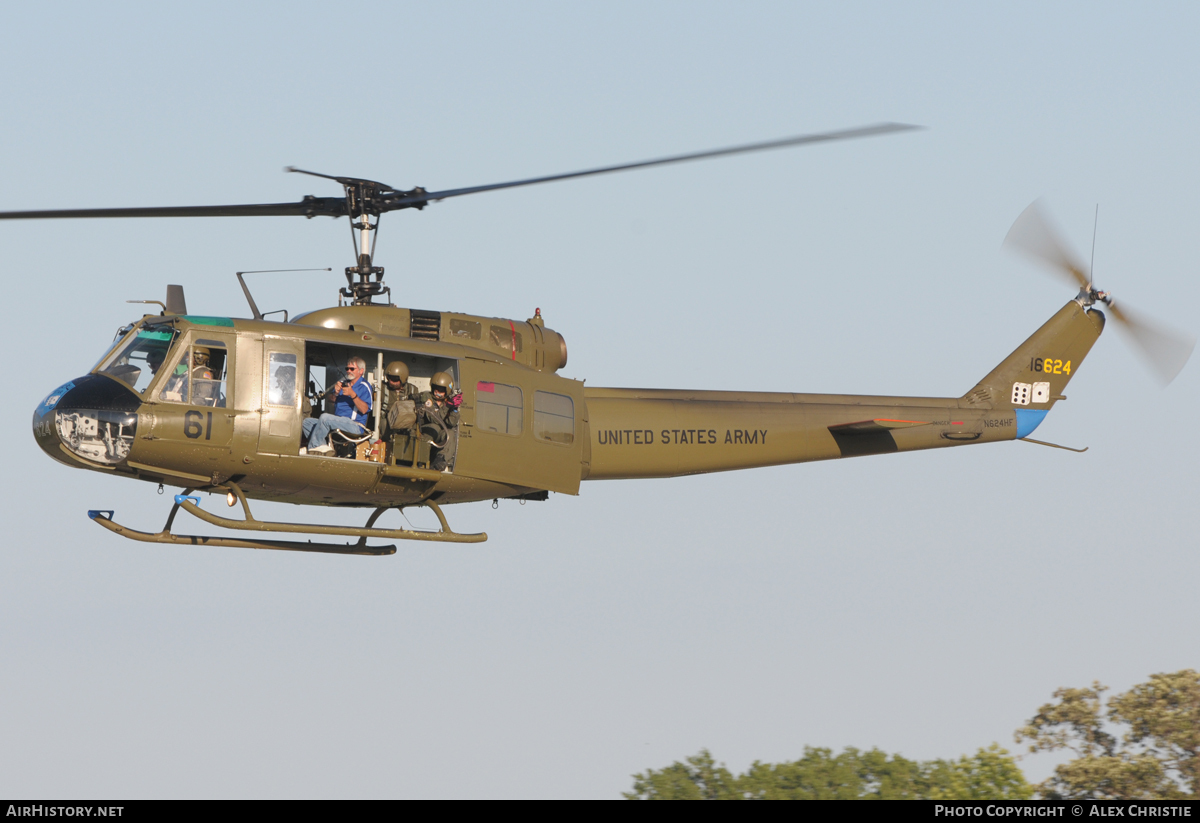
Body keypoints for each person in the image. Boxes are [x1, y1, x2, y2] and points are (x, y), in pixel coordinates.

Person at [302, 356, 373, 456]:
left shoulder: (364, 386)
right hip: (338, 421)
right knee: (306, 422)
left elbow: (365, 409)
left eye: (352, 369)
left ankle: (313, 448)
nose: (348, 371)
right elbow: (330, 399)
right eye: (347, 368)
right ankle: (324, 448)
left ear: (361, 371)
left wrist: (352, 394)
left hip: (355, 425)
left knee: (325, 418)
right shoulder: (345, 383)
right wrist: (335, 392)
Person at [418, 371, 460, 472]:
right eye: (436, 389)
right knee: (435, 427)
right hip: (426, 431)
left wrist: (454, 409)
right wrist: (447, 406)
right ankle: (421, 459)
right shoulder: (427, 398)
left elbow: (451, 423)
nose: (438, 393)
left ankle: (440, 459)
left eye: (441, 390)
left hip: (439, 434)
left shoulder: (447, 401)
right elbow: (434, 418)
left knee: (450, 432)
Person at [382, 361, 420, 437]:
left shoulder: (412, 390)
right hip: (387, 423)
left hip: (406, 423)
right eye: (389, 378)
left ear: (403, 378)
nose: (391, 381)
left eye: (395, 379)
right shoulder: (382, 388)